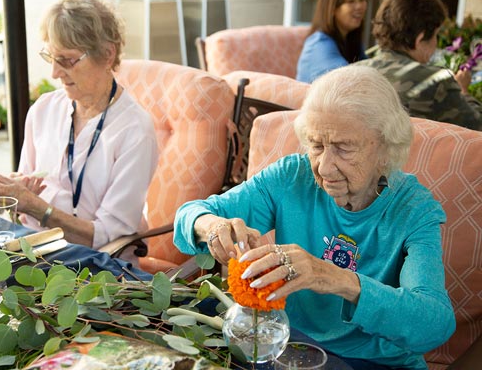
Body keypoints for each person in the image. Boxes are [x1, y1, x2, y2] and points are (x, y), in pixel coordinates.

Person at [174, 66, 455, 369]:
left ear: (386, 148)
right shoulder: (292, 176)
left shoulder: (414, 209)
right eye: (317, 146)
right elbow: (188, 217)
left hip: (374, 362)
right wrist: (213, 227)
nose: (323, 167)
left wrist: (334, 278)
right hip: (289, 349)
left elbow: (434, 325)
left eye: (344, 148)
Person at [0, 0, 159, 253]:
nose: (54, 72)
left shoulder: (135, 130)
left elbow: (106, 236)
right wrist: (13, 193)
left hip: (98, 270)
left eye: (67, 60)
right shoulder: (43, 110)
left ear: (108, 54)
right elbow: (25, 199)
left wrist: (35, 206)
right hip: (34, 254)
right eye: (51, 57)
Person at [355, 0, 482, 130]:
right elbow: (477, 127)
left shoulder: (352, 72)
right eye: (435, 35)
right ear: (419, 38)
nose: (436, 42)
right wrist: (463, 91)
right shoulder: (436, 82)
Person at [296, 0, 367, 83]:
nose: (359, 6)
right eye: (351, 1)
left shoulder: (351, 40)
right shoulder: (319, 44)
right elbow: (350, 82)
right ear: (332, 7)